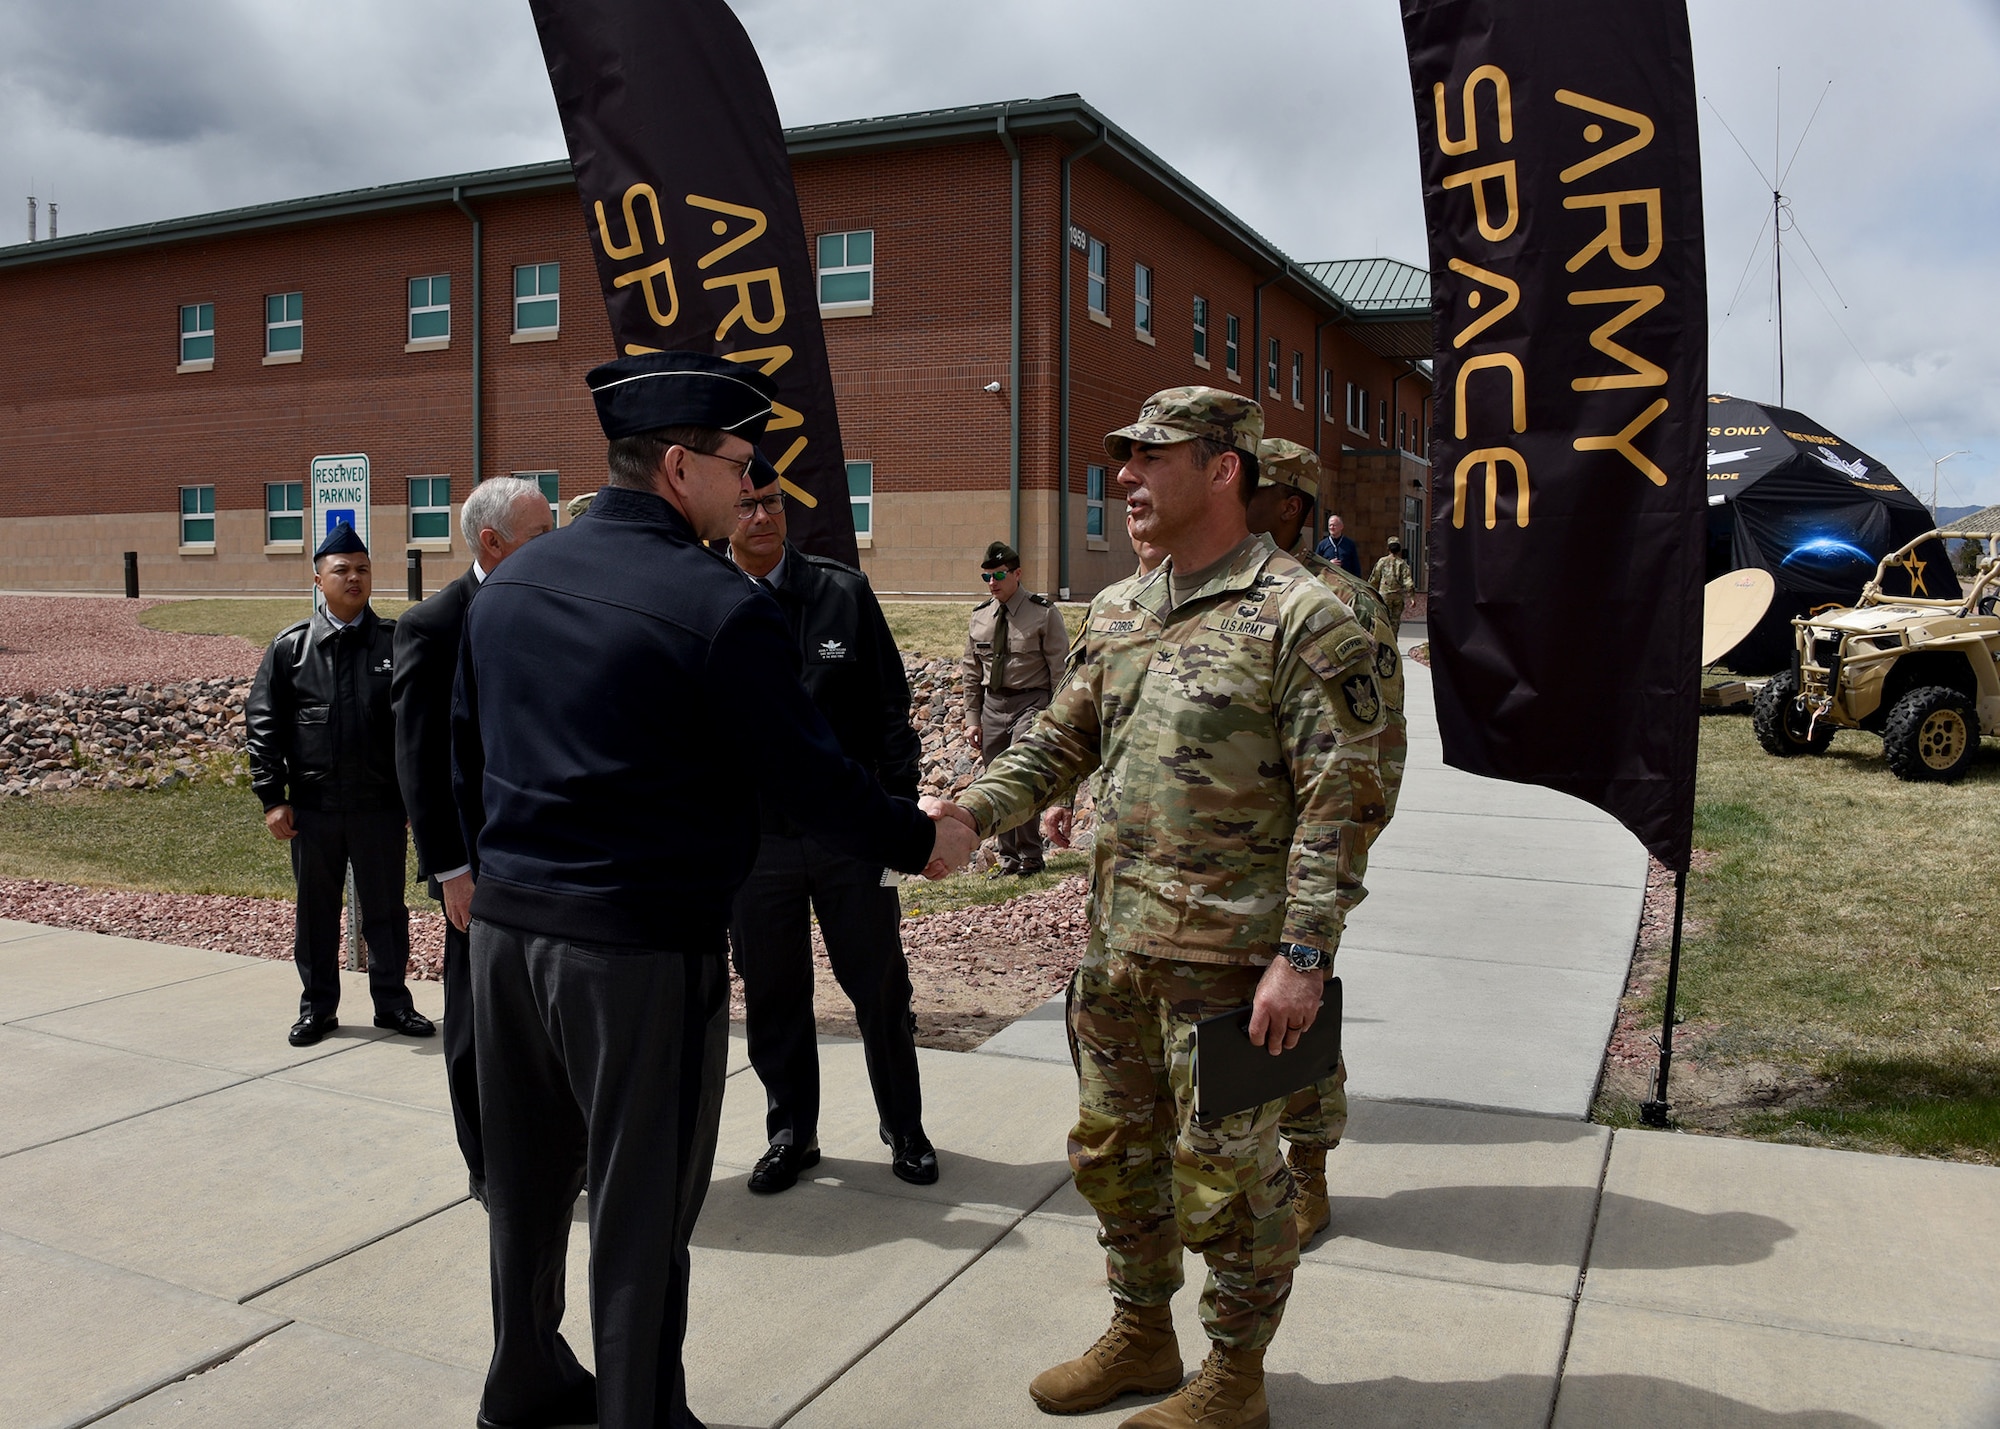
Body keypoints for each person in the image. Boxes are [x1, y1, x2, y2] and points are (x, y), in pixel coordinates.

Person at [451, 349, 976, 1429]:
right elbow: (810, 776)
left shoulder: (509, 586)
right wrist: (919, 840)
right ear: (679, 465)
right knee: (642, 1205)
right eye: (741, 464)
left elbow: (465, 754)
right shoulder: (713, 603)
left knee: (532, 1184)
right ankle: (639, 1415)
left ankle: (523, 1382)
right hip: (635, 952)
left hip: (506, 939)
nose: (753, 487)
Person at [931, 387, 1389, 1429]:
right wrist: (965, 815)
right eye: (1120, 457)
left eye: (1149, 458)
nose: (1125, 478)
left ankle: (1234, 1378)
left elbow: (1339, 801)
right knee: (1111, 1154)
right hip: (1117, 949)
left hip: (1231, 966)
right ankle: (1141, 1333)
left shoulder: (1301, 616)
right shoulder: (1119, 610)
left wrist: (1303, 956)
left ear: (1222, 469)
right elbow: (1059, 740)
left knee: (1229, 1181)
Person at [724, 465, 936, 1194]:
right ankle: (792, 1133)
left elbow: (889, 712)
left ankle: (903, 1126)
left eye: (772, 502)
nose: (760, 516)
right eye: (746, 503)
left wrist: (899, 814)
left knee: (879, 986)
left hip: (850, 837)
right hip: (757, 844)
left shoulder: (840, 593)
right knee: (774, 994)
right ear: (726, 514)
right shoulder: (706, 600)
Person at [1251, 438, 1410, 1248]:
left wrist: (1343, 857)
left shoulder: (1345, 602)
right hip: (1227, 857)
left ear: (1290, 506)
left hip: (1307, 855)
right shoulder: (1222, 587)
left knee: (1299, 1011)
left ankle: (1307, 1168)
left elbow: (1378, 746)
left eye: (1255, 487)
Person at [391, 476, 551, 1207]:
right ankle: (486, 1162)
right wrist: (451, 868)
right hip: (477, 868)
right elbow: (420, 762)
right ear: (493, 542)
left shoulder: (554, 605)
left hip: (548, 857)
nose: (558, 547)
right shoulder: (435, 623)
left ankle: (551, 1146)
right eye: (540, 534)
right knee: (478, 1020)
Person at [247, 524, 433, 1048]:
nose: (354, 578)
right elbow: (264, 726)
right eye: (342, 570)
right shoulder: (291, 649)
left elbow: (416, 726)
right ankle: (318, 1009)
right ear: (318, 579)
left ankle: (394, 1004)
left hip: (380, 809)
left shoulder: (396, 641)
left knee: (386, 913)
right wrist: (273, 798)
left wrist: (415, 800)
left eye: (363, 569)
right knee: (316, 915)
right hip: (314, 810)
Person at [961, 541, 1068, 874]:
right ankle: (1008, 858)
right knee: (996, 779)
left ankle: (1031, 856)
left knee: (1021, 776)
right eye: (987, 577)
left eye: (999, 575)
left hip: (1031, 703)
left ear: (1017, 574)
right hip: (993, 705)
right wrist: (972, 718)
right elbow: (971, 670)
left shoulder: (1043, 613)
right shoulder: (980, 617)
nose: (992, 583)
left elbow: (1060, 670)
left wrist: (1057, 716)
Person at [1370, 538, 1416, 631]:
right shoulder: (1402, 563)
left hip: (1384, 596)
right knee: (1395, 622)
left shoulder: (1382, 561)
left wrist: (1370, 592)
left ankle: (1386, 642)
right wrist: (1412, 598)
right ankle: (1394, 642)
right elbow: (1408, 582)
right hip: (1398, 597)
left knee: (1384, 621)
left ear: (1388, 548)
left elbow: (1375, 579)